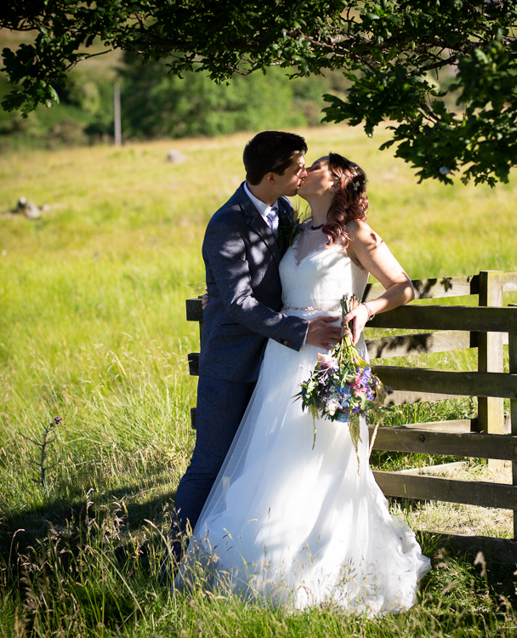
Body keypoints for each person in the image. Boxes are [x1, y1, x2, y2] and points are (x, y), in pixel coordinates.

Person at [174, 153, 432, 616]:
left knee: (319, 462)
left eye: (316, 166)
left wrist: (366, 311)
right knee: (271, 459)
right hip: (282, 359)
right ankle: (261, 557)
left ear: (338, 181)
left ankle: (316, 565)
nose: (305, 171)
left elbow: (403, 286)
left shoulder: (356, 233)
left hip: (327, 355)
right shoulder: (292, 227)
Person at [170, 132, 343, 565]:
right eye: (297, 168)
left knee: (261, 468)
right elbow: (240, 300)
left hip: (276, 365)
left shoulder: (283, 208)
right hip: (232, 364)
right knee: (209, 464)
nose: (304, 174)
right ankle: (173, 559)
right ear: (271, 176)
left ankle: (245, 556)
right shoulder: (227, 223)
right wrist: (300, 331)